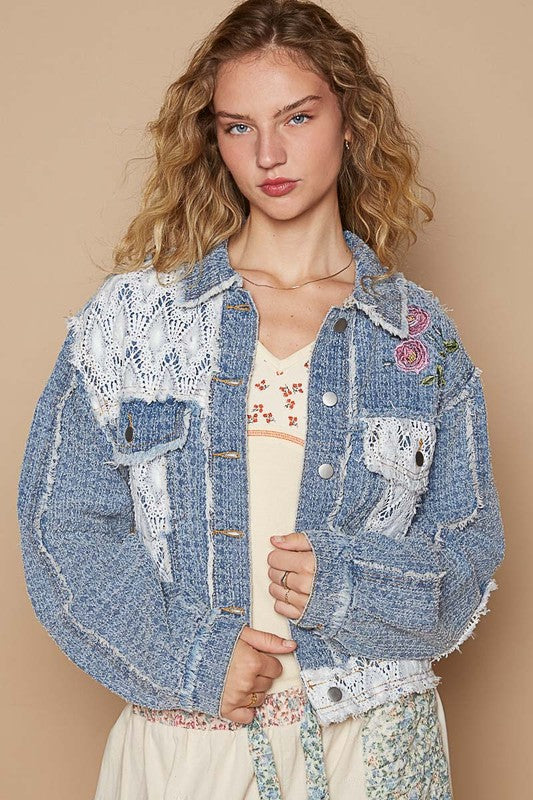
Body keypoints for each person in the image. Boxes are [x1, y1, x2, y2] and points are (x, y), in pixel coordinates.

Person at [17, 1, 505, 798]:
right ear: (212, 139)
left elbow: (467, 553)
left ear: (351, 121)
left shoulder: (416, 336)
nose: (268, 154)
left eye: (297, 117)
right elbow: (63, 531)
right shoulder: (134, 322)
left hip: (374, 745)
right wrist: (194, 657)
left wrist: (347, 583)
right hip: (193, 742)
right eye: (238, 127)